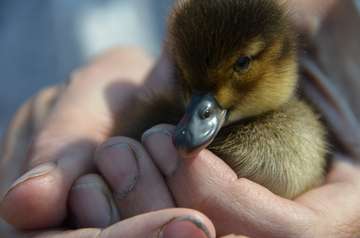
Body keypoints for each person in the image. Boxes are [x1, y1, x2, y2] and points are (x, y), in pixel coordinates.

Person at [1, 0, 360, 237]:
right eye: (190, 80)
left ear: (284, 54)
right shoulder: (156, 121)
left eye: (242, 66)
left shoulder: (319, 118)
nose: (198, 117)